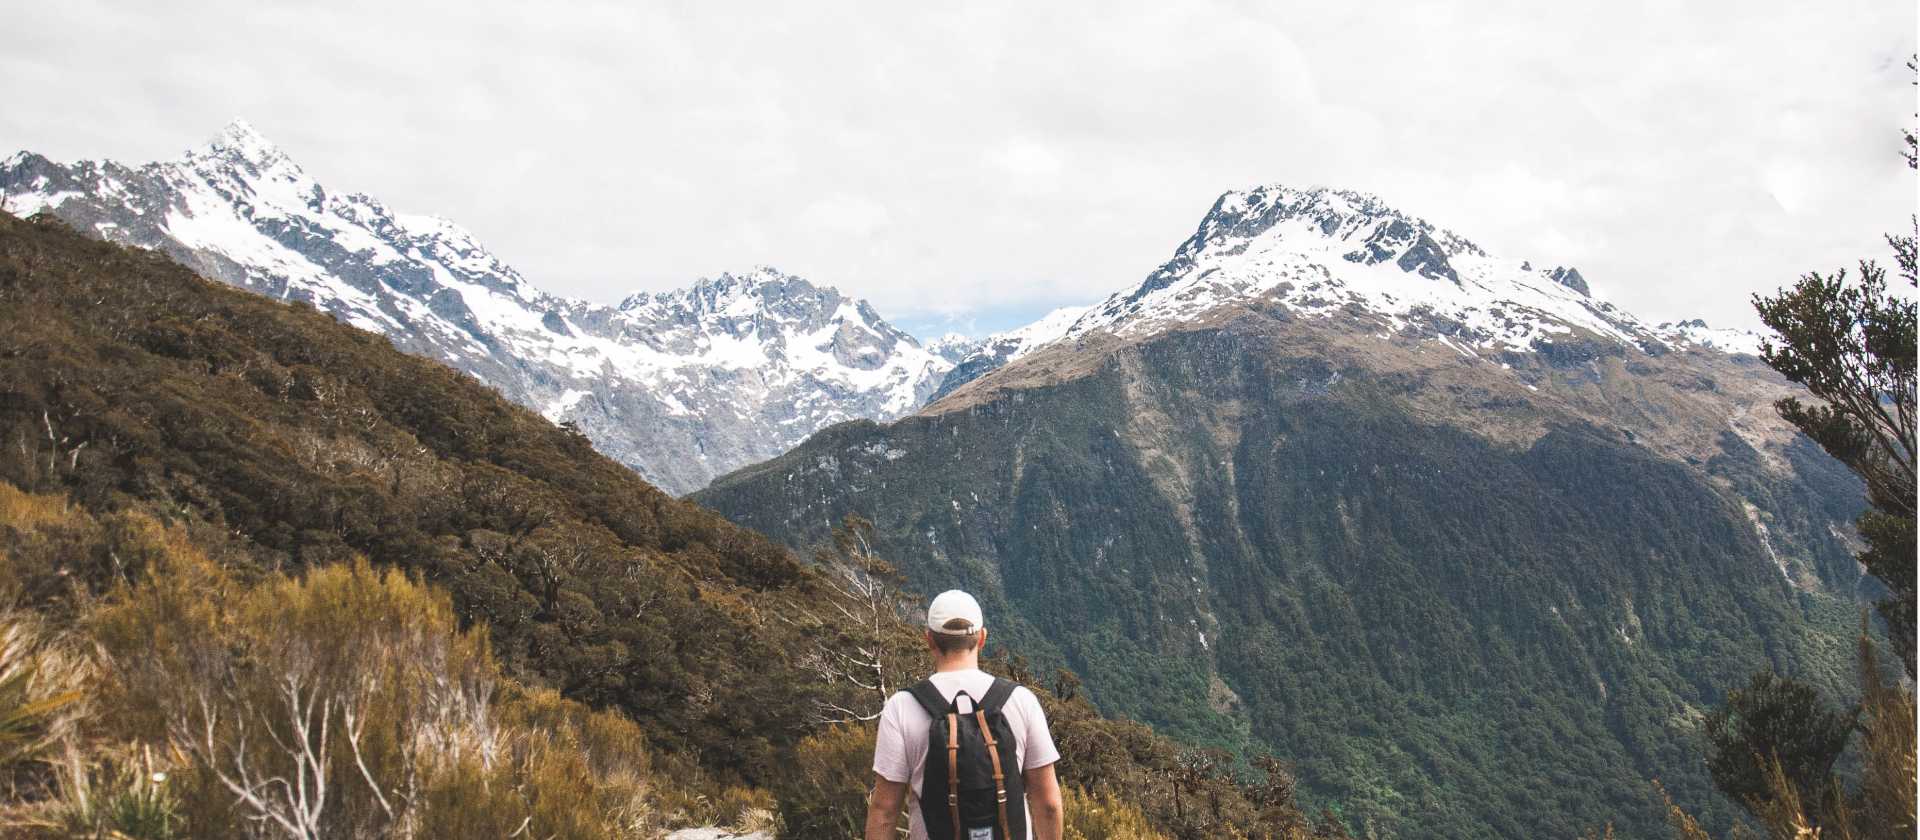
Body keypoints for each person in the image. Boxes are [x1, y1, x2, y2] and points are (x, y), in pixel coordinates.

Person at [866, 590, 1063, 840]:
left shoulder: (902, 707)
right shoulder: (1021, 701)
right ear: (982, 638)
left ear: (929, 640)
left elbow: (884, 810)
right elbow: (1048, 804)